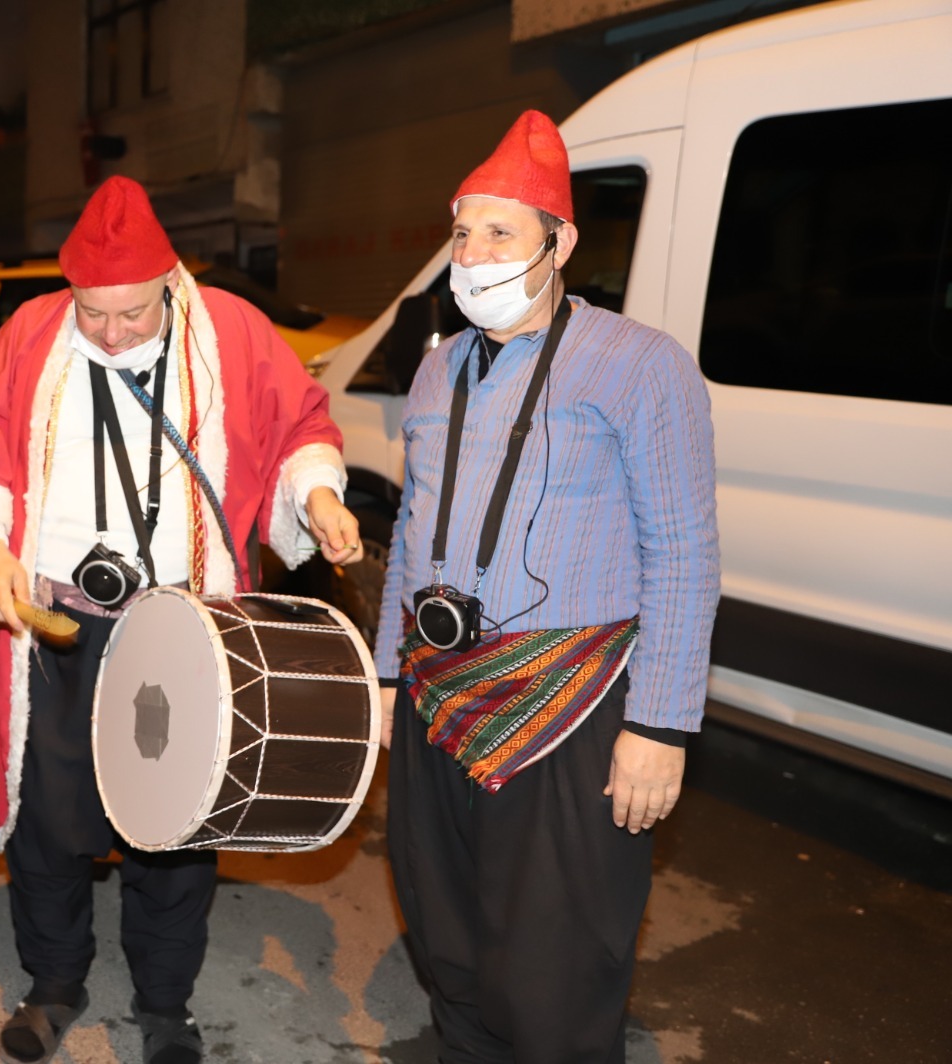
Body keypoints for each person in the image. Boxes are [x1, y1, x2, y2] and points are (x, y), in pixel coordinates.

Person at [0, 175, 363, 1064]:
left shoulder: (233, 330)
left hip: (181, 625)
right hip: (53, 623)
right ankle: (53, 986)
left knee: (175, 821)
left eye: (132, 314)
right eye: (95, 314)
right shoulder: (30, 335)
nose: (113, 332)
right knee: (47, 823)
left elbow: (298, 426)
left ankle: (167, 1003)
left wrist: (316, 495)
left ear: (169, 282)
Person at [373, 110, 720, 1062]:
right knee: (448, 938)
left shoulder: (641, 365)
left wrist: (660, 728)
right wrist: (383, 680)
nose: (474, 252)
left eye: (501, 232)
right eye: (462, 231)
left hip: (571, 706)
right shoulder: (439, 367)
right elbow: (411, 526)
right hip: (438, 695)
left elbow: (684, 553)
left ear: (559, 243)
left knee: (555, 962)